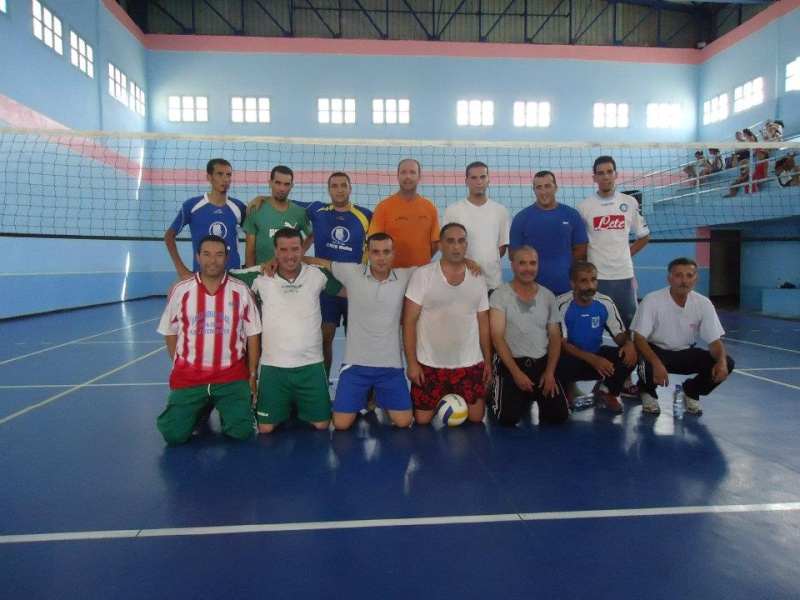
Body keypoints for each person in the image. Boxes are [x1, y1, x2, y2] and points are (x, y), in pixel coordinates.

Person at [301, 233, 414, 430]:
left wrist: (467, 262)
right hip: (355, 366)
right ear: (367, 253)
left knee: (404, 421)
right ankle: (366, 394)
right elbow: (320, 262)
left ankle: (377, 394)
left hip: (390, 367)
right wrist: (288, 260)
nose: (381, 257)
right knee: (341, 424)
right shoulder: (352, 273)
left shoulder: (404, 276)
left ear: (393, 254)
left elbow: (437, 268)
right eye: (375, 252)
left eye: (386, 252)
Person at [156, 235, 260, 445]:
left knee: (241, 432)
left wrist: (251, 375)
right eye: (207, 254)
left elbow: (253, 335)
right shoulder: (181, 291)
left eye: (219, 255)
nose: (213, 260)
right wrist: (179, 365)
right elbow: (169, 332)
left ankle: (226, 407)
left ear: (227, 258)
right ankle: (200, 407)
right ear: (197, 257)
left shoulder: (240, 291)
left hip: (230, 375)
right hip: (190, 376)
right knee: (173, 435)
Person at [235, 228, 340, 433]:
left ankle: (299, 402)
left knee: (322, 425)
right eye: (283, 250)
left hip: (311, 365)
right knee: (265, 428)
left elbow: (352, 286)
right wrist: (184, 277)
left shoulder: (318, 275)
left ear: (303, 249)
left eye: (295, 249)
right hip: (274, 367)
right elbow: (222, 275)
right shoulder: (260, 275)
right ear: (275, 250)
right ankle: (287, 402)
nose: (289, 255)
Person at [402, 222, 492, 425]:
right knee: (422, 420)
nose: (456, 246)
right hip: (430, 364)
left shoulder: (477, 277)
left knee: (477, 418)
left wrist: (487, 360)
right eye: (450, 241)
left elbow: (483, 321)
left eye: (461, 241)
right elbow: (409, 321)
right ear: (440, 245)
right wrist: (412, 363)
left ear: (466, 245)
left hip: (469, 363)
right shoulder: (422, 276)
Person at [630, 257, 735, 416]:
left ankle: (691, 391)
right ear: (669, 278)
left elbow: (714, 342)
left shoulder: (703, 303)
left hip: (684, 352)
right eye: (679, 275)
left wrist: (721, 362)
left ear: (696, 279)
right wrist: (657, 363)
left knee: (727, 362)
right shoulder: (653, 300)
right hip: (656, 351)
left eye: (689, 275)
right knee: (647, 362)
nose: (684, 280)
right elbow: (638, 338)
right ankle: (647, 392)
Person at [296, 172, 372, 376]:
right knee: (324, 339)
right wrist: (261, 198)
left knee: (357, 343)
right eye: (335, 186)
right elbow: (283, 200)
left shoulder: (366, 215)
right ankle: (322, 385)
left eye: (343, 185)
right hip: (325, 289)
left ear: (350, 188)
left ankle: (363, 393)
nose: (339, 189)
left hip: (354, 290)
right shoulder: (318, 210)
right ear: (328, 190)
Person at [489, 246, 569, 426]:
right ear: (513, 266)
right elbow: (496, 336)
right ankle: (494, 392)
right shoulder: (500, 295)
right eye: (522, 263)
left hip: (540, 365)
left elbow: (555, 337)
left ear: (538, 266)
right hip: (512, 364)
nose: (528, 268)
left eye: (533, 263)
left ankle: (527, 396)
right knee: (508, 418)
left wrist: (549, 372)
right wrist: (516, 373)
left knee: (560, 416)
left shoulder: (547, 296)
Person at [577, 156, 650, 328]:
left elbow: (644, 237)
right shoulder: (584, 207)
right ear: (594, 177)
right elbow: (580, 244)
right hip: (596, 277)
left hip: (623, 275)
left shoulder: (629, 202)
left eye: (609, 172)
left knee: (630, 325)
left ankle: (632, 355)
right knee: (596, 324)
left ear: (616, 174)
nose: (605, 177)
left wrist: (626, 255)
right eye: (601, 173)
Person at [555, 261, 637, 412]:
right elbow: (563, 344)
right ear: (573, 283)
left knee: (631, 355)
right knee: (558, 360)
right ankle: (566, 392)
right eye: (584, 281)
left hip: (596, 355)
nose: (590, 286)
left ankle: (606, 391)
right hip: (571, 359)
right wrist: (593, 359)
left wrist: (628, 343)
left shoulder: (605, 302)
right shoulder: (561, 305)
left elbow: (618, 333)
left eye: (593, 279)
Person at [164, 158, 246, 279]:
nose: (225, 179)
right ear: (209, 177)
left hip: (233, 276)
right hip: (202, 276)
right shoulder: (192, 206)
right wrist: (181, 269)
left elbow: (254, 236)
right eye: (220, 174)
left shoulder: (238, 207)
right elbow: (169, 236)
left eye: (228, 175)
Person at [510, 170, 588, 295]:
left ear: (555, 188)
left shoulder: (571, 215)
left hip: (565, 289)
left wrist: (561, 266)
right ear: (534, 190)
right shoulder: (521, 218)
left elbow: (581, 249)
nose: (544, 192)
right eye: (539, 187)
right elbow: (513, 255)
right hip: (532, 291)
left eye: (548, 186)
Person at [442, 161, 510, 293]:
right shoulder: (453, 210)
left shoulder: (500, 211)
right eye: (474, 178)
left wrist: (488, 259)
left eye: (483, 177)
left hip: (494, 283)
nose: (479, 181)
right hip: (463, 283)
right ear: (466, 181)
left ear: (488, 180)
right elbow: (446, 247)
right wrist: (465, 261)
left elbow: (502, 247)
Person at [368, 158, 440, 268]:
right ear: (397, 176)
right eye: (403, 172)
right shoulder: (383, 207)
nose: (408, 177)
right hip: (392, 274)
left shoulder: (430, 207)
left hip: (421, 273)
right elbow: (374, 242)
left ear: (419, 177)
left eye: (412, 172)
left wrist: (420, 259)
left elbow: (435, 243)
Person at [243, 165, 312, 266]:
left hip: (289, 273)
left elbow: (311, 235)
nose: (282, 188)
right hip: (263, 274)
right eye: (278, 183)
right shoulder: (256, 210)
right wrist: (250, 275)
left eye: (286, 184)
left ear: (291, 186)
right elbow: (250, 251)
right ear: (270, 183)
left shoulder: (299, 213)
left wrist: (300, 253)